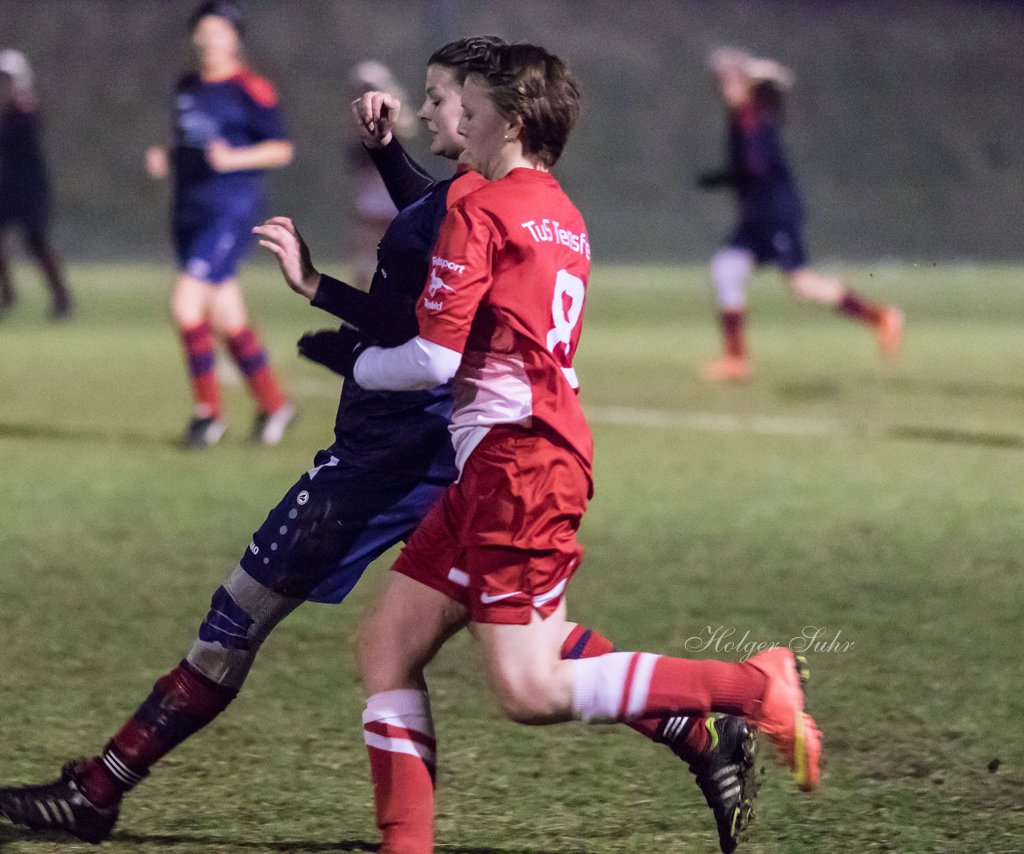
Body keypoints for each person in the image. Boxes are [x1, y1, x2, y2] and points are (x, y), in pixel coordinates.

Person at [0, 38, 756, 853]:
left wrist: (328, 302)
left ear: (486, 113)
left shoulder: (477, 201)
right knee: (497, 641)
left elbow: (426, 330)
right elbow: (430, 228)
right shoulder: (489, 190)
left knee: (240, 617)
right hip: (457, 450)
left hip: (391, 450)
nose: (425, 109)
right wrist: (385, 160)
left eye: (441, 96)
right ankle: (697, 737)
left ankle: (101, 789)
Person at [303, 44, 823, 853]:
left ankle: (755, 685)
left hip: (519, 466)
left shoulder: (480, 208)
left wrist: (361, 361)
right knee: (388, 645)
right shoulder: (559, 212)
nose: (452, 119)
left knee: (530, 688)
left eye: (465, 108)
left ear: (507, 122)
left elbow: (436, 359)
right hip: (517, 457)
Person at [697, 47, 903, 382]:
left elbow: (756, 165)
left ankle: (881, 317)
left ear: (747, 85)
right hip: (755, 219)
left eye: (732, 81)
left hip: (776, 215)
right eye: (723, 81)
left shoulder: (754, 115)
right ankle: (736, 360)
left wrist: (728, 176)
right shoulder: (742, 117)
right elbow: (747, 168)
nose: (725, 87)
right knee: (726, 269)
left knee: (803, 285)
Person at [145, 0, 295, 447]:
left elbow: (281, 149)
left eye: (217, 30)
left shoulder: (252, 89)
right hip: (188, 210)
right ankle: (275, 405)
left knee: (185, 307)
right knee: (229, 318)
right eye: (202, 30)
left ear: (234, 38)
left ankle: (207, 415)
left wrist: (235, 159)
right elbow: (186, 141)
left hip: (229, 211)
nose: (207, 38)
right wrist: (166, 156)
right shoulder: (187, 86)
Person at [0, 49, 73, 323]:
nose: (3, 84)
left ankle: (62, 297)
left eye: (8, 78)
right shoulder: (7, 108)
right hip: (8, 183)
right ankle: (7, 295)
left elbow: (25, 124)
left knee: (35, 239)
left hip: (31, 183)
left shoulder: (25, 104)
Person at [347, 60, 416, 286]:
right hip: (371, 188)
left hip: (387, 190)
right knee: (364, 253)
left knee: (387, 250)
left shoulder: (395, 114)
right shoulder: (358, 115)